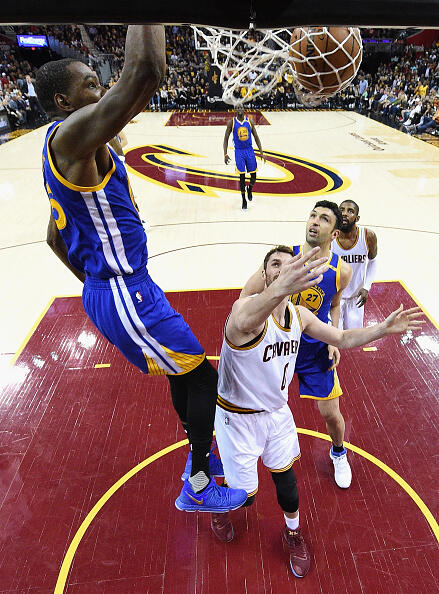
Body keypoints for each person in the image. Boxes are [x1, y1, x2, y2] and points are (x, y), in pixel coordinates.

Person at [35, 26, 328, 516]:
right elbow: (146, 71)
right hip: (125, 290)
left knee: (185, 373)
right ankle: (196, 481)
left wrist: (96, 285)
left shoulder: (70, 149)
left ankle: (200, 452)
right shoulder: (70, 139)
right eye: (90, 84)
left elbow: (52, 237)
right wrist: (108, 287)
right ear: (62, 101)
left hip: (126, 288)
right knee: (203, 382)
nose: (101, 89)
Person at [212, 245, 423, 578]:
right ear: (264, 274)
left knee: (287, 482)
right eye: (275, 264)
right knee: (246, 499)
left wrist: (381, 329)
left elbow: (340, 335)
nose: (283, 268)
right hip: (237, 417)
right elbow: (247, 318)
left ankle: (293, 533)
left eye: (288, 263)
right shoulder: (244, 310)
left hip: (276, 414)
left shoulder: (299, 316)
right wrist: (282, 286)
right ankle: (219, 503)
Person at [241, 201, 356, 489]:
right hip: (278, 345)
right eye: (313, 216)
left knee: (330, 413)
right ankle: (244, 451)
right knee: (254, 405)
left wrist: (335, 335)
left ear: (334, 234)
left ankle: (338, 451)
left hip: (314, 348)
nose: (314, 222)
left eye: (324, 219)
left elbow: (335, 305)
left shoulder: (341, 271)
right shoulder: (283, 258)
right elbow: (247, 293)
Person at [331, 200, 378, 329]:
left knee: (353, 339)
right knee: (334, 339)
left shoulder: (368, 236)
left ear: (357, 218)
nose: (345, 214)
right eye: (341, 210)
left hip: (355, 298)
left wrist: (367, 287)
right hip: (334, 299)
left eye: (350, 211)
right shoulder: (330, 237)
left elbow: (373, 261)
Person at [223, 105, 266, 210]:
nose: (239, 109)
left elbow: (256, 137)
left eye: (241, 107)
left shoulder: (249, 121)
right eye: (237, 107)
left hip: (249, 150)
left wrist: (261, 152)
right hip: (239, 152)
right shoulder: (231, 123)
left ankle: (250, 188)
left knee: (254, 176)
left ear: (243, 109)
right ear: (235, 110)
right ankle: (244, 200)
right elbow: (225, 139)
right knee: (241, 177)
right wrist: (225, 153)